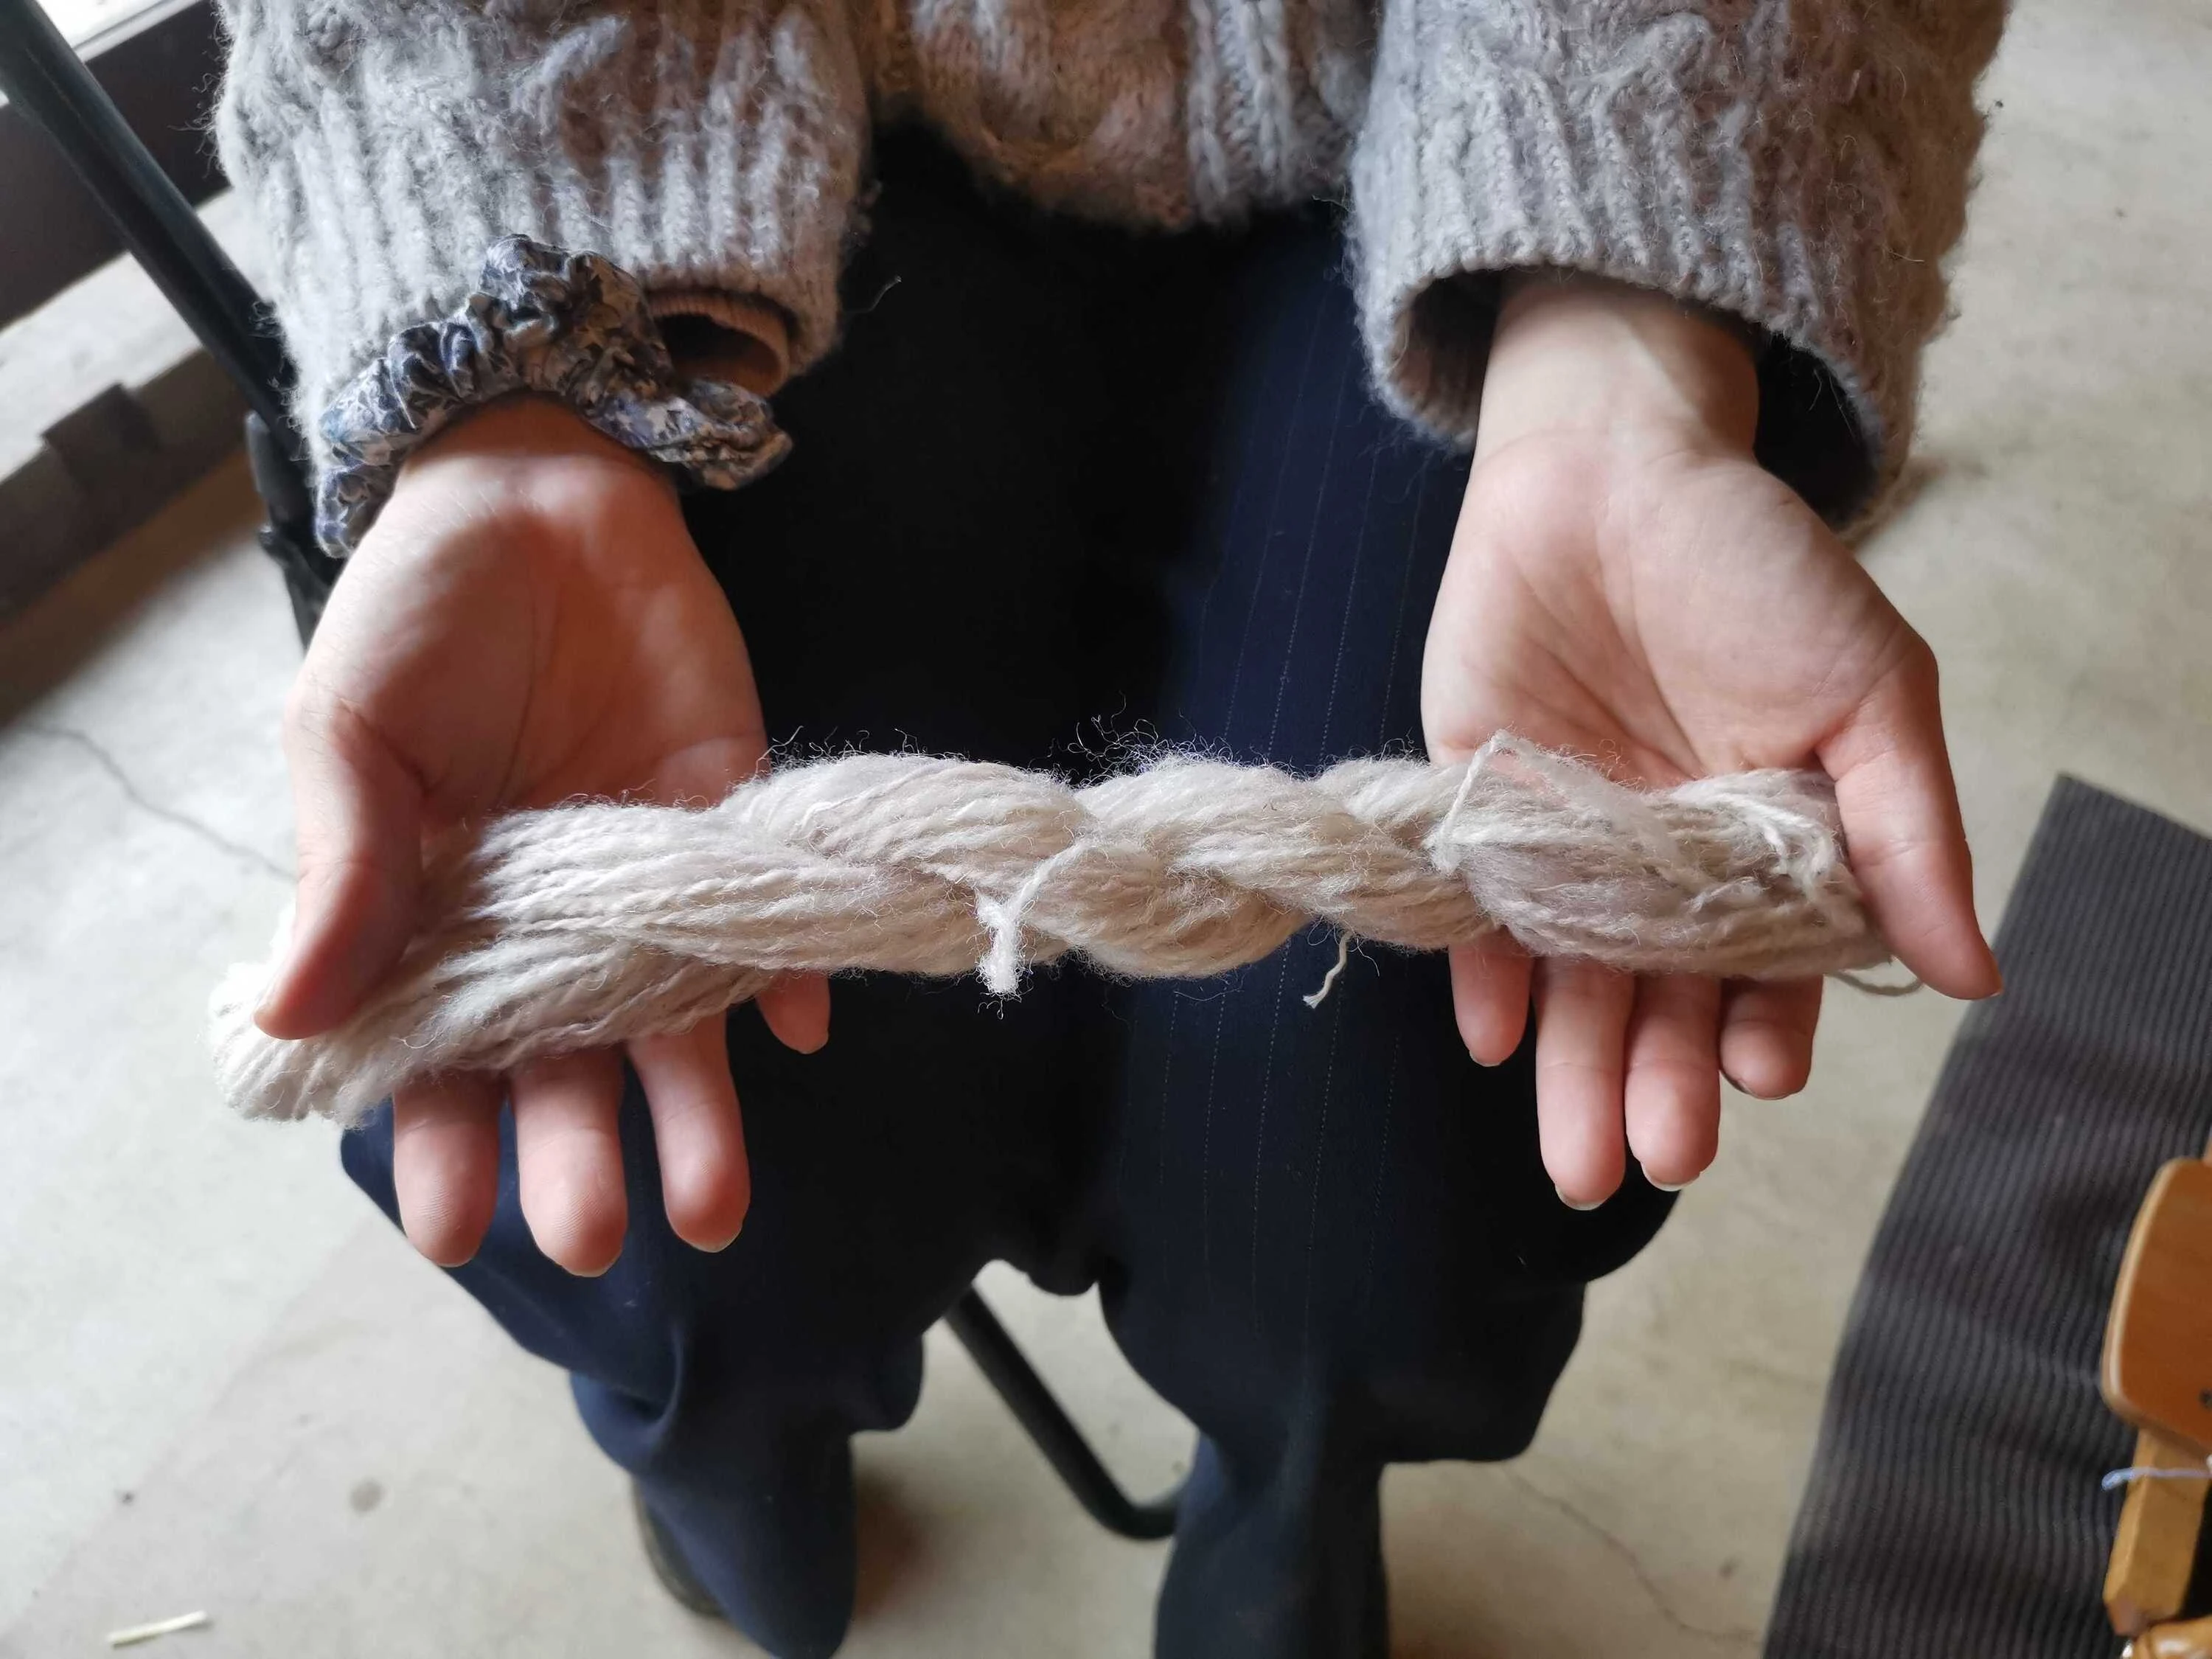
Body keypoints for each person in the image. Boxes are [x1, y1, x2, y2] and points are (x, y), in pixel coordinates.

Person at [213, 2, 2007, 1653]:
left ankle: (1292, 1503)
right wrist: (524, 404)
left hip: (1478, 130)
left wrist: (1631, 344)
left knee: (1380, 1159)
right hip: (684, 131)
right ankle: (727, 1453)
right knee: (685, 1193)